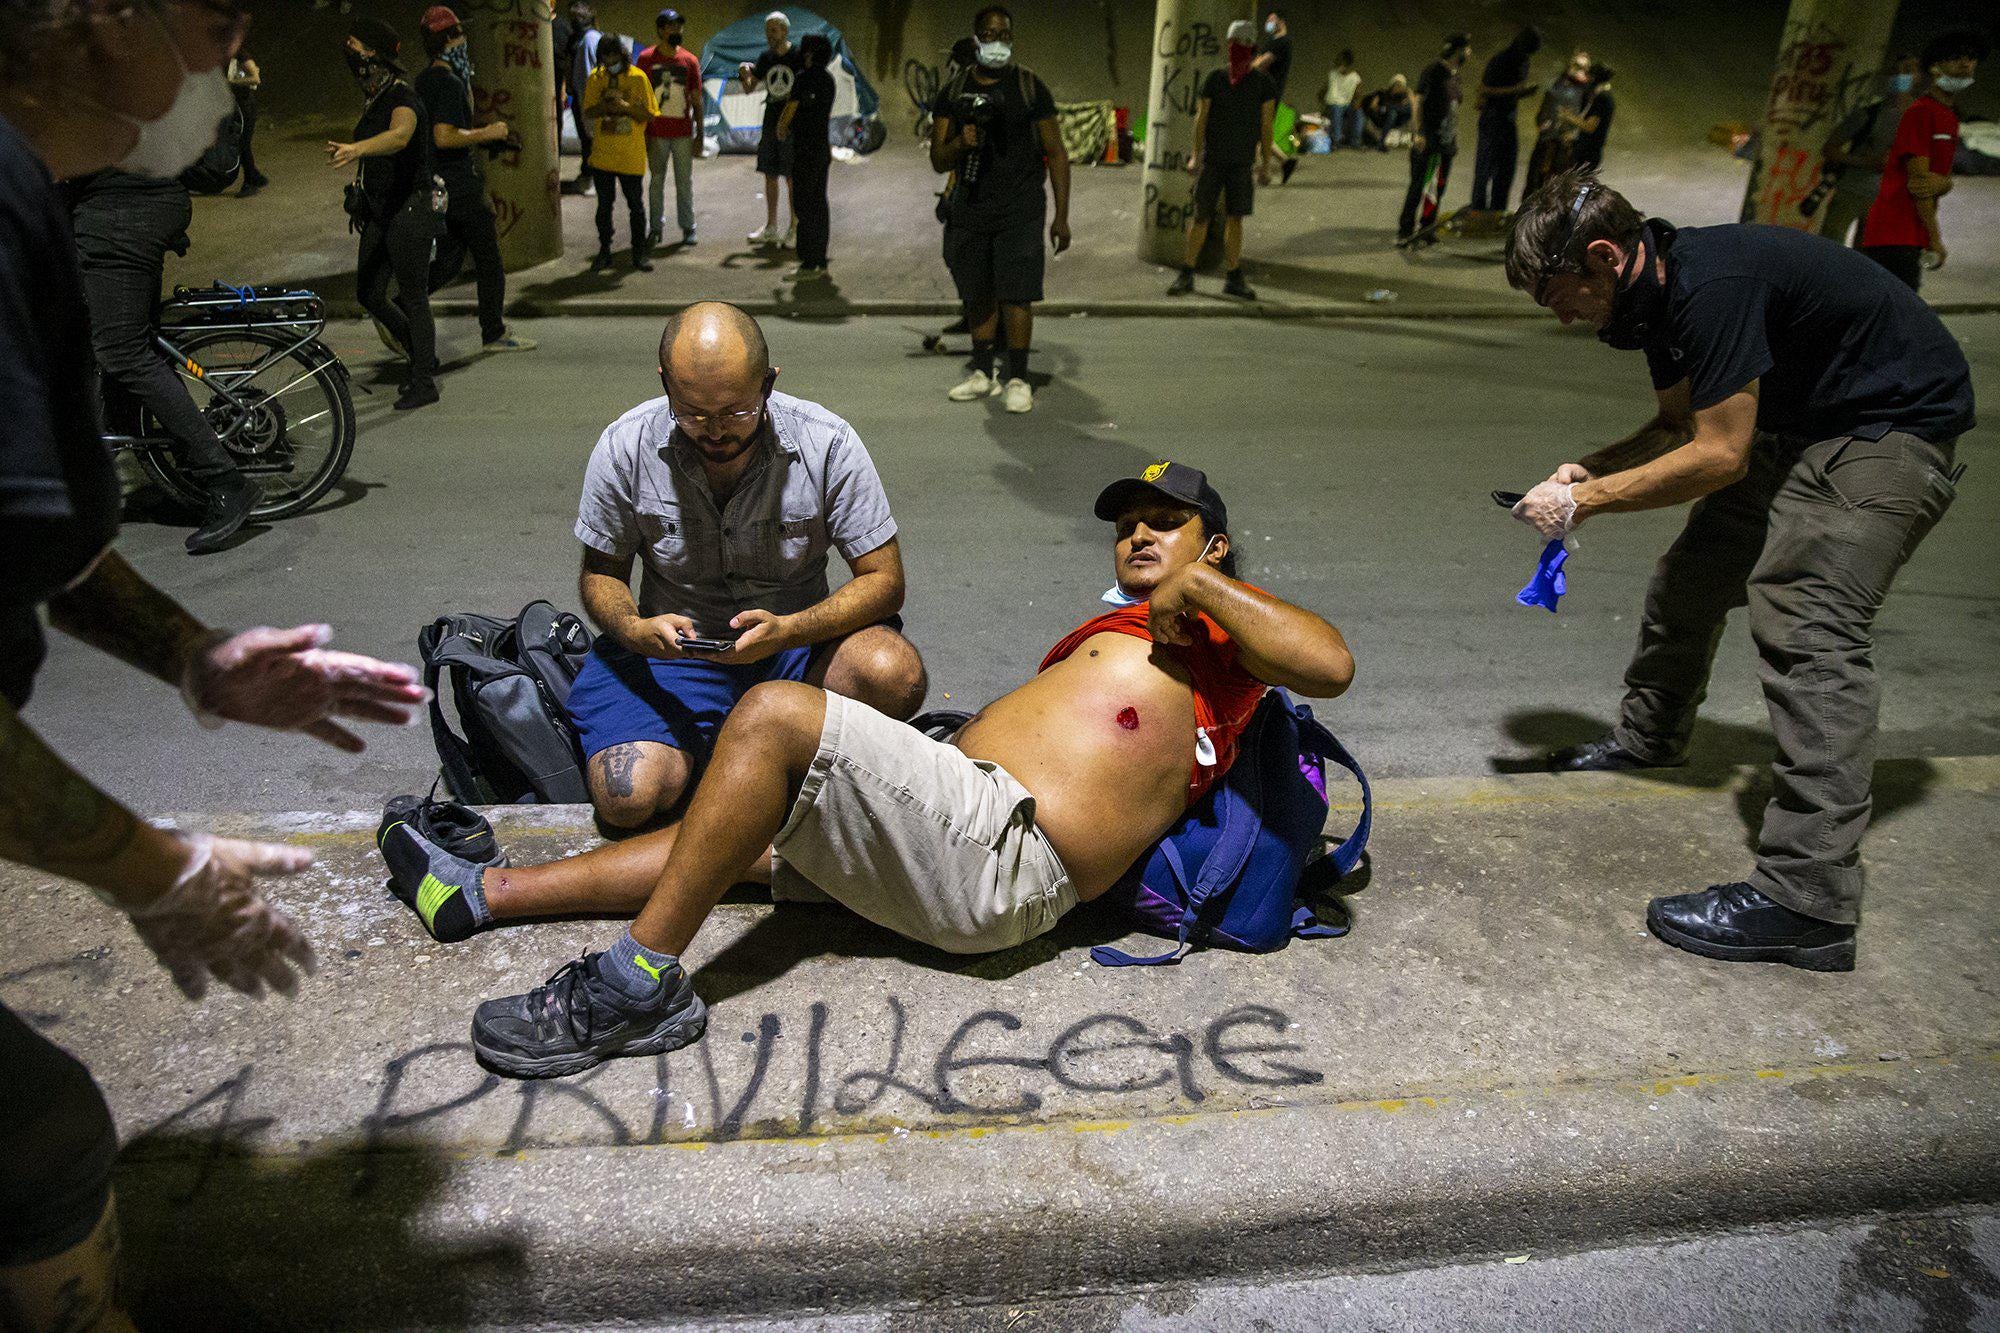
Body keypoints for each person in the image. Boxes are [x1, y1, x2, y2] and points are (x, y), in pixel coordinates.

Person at [381, 460, 1353, 1077]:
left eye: (1167, 522)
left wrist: (1207, 587)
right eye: (1127, 522)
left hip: (1004, 855)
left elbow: (1330, 664)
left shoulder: (1226, 633)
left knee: (772, 717)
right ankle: (483, 892)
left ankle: (634, 984)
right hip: (962, 828)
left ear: (1213, 544)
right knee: (736, 840)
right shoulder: (1127, 628)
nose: (1139, 533)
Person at [0, 3, 427, 1321]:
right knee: (41, 1138)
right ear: (98, 21)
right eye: (213, 19)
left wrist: (197, 657)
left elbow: (34, 537)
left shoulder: (33, 197)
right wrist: (158, 870)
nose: (235, 58)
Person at [1503, 168, 1973, 973]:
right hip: (1803, 423)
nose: (1558, 314)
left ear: (1605, 257)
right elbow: (1680, 426)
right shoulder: (1650, 300)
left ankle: (1808, 899)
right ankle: (1650, 736)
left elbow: (1719, 456)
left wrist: (1588, 505)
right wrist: (1586, 470)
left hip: (1888, 428)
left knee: (1808, 618)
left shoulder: (1710, 286)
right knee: (1693, 574)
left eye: (1557, 293)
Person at [551, 302, 925, 834]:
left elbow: (885, 582)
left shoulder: (828, 442)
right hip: (674, 655)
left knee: (895, 675)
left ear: (769, 383)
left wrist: (791, 629)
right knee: (627, 797)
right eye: (692, 413)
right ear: (666, 385)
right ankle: (730, 757)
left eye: (736, 412)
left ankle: (742, 758)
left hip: (795, 646)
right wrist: (635, 628)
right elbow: (600, 573)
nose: (715, 431)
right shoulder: (624, 445)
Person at [67, 170, 259, 554]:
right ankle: (162, 464)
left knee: (123, 351)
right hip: (126, 207)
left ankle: (225, 481)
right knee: (118, 339)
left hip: (122, 214)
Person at [929, 5, 1071, 416]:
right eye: (990, 35)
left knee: (1017, 293)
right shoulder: (953, 92)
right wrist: (961, 143)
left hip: (1021, 209)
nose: (998, 42)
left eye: (1005, 34)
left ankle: (1019, 377)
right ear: (977, 38)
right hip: (971, 209)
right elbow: (939, 159)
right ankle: (982, 372)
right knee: (978, 292)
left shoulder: (1029, 87)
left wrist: (1062, 216)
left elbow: (1057, 153)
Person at [328, 18, 440, 411]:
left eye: (356, 45)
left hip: (410, 206)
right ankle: (418, 350)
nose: (349, 51)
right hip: (381, 208)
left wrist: (356, 150)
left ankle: (424, 380)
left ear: (374, 55)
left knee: (413, 296)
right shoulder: (375, 97)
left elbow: (400, 136)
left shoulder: (401, 97)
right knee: (369, 292)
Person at [415, 5, 536, 356]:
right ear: (450, 39)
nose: (465, 39)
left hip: (438, 184)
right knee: (489, 259)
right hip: (460, 185)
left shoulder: (424, 80)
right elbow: (444, 136)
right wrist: (489, 132)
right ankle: (494, 333)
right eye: (460, 33)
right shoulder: (449, 83)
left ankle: (402, 300)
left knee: (451, 258)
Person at [1860, 30, 1988, 293]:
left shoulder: (1948, 117)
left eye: (1971, 58)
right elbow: (1919, 183)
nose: (1966, 64)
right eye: (1955, 58)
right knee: (1901, 316)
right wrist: (1935, 239)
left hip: (1908, 234)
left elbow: (1932, 180)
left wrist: (1944, 183)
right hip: (1892, 233)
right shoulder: (1920, 112)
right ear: (1934, 67)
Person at [1166, 20, 1278, 301]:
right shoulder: (1217, 79)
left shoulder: (1261, 84)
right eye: (1232, 45)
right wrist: (1196, 155)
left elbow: (1266, 126)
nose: (1234, 51)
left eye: (1238, 46)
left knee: (1231, 218)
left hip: (1238, 162)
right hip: (1216, 160)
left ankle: (1228, 275)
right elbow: (1201, 119)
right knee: (1204, 216)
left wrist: (1265, 163)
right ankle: (1191, 272)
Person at [1815, 54, 1922, 248]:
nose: (1900, 76)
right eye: (1895, 71)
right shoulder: (1868, 115)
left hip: (1888, 200)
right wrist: (1865, 163)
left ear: (1918, 77)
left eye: (1907, 71)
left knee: (1867, 258)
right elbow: (1829, 149)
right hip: (1850, 193)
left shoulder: (1921, 119)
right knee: (1829, 250)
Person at [582, 31, 657, 273]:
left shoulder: (638, 78)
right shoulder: (596, 78)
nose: (609, 62)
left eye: (613, 57)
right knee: (604, 206)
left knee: (636, 205)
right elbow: (588, 112)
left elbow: (649, 114)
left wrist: (626, 107)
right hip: (603, 154)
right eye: (605, 58)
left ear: (622, 55)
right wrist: (603, 106)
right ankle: (605, 251)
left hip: (630, 154)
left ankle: (639, 253)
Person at [636, 7, 703, 249]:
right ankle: (655, 228)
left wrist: (700, 134)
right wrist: (641, 132)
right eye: (671, 26)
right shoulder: (646, 59)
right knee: (656, 181)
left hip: (683, 132)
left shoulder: (689, 61)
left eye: (679, 26)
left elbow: (696, 99)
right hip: (656, 132)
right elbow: (640, 97)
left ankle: (688, 227)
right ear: (661, 30)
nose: (676, 30)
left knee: (684, 181)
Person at [1397, 32, 1471, 247]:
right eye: (1467, 48)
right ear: (1458, 50)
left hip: (1447, 141)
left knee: (1438, 186)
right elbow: (1418, 101)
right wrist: (1417, 132)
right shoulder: (1434, 70)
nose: (1469, 52)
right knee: (1419, 183)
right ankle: (1405, 229)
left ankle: (1427, 227)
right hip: (1428, 136)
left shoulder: (1456, 75)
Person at [777, 33, 836, 282]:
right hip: (822, 148)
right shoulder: (829, 80)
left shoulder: (803, 79)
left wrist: (781, 128)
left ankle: (809, 262)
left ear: (809, 53)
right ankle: (819, 258)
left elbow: (791, 109)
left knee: (803, 203)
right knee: (819, 203)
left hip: (804, 149)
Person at [738, 11, 800, 248]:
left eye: (773, 30)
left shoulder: (796, 57)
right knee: (770, 173)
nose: (769, 35)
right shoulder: (765, 58)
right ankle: (771, 226)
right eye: (767, 30)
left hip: (792, 123)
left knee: (792, 177)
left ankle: (794, 226)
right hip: (771, 120)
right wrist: (744, 74)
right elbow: (749, 88)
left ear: (784, 31)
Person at [1468, 25, 1540, 213]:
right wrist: (1516, 91)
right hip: (1492, 119)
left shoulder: (1524, 61)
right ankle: (1478, 211)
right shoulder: (1500, 60)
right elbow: (1484, 90)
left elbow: (1511, 93)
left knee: (1506, 169)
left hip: (1508, 119)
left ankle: (1497, 211)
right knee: (1485, 167)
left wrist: (1522, 93)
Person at [1523, 50, 1595, 199]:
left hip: (1565, 145)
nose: (1577, 70)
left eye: (1582, 67)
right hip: (1546, 141)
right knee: (1534, 184)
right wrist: (1542, 123)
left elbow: (1587, 121)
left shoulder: (1587, 91)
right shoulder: (1558, 84)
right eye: (1575, 65)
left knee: (1557, 189)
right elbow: (1544, 110)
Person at [1251, 10, 1297, 182]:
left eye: (1272, 20)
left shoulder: (1282, 42)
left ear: (1281, 22)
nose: (1268, 23)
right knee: (1260, 131)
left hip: (1269, 92)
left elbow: (1263, 62)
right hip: (1264, 91)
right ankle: (1283, 163)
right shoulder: (1272, 41)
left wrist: (1249, 65)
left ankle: (1265, 171)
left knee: (1260, 131)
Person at [565, 1, 602, 193]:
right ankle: (589, 174)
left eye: (577, 18)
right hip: (580, 95)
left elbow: (589, 75)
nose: (574, 21)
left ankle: (592, 178)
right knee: (586, 139)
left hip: (587, 96)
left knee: (590, 139)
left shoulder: (589, 39)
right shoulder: (578, 38)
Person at [227, 45, 269, 196]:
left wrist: (231, 82)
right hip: (238, 105)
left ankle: (250, 182)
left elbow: (255, 79)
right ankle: (255, 176)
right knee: (241, 142)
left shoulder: (240, 54)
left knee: (242, 143)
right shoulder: (225, 55)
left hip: (246, 105)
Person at [1573, 65, 1614, 172]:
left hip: (1587, 152)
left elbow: (1589, 127)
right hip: (1590, 151)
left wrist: (1566, 115)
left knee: (1577, 183)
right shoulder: (1605, 97)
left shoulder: (1601, 98)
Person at [1358, 74, 1411, 150]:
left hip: (1397, 120)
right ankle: (1381, 142)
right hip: (1381, 118)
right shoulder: (1382, 93)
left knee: (1407, 109)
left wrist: (1408, 97)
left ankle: (1393, 109)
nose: (1398, 87)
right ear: (1392, 84)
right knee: (1392, 112)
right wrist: (1381, 108)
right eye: (1397, 85)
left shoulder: (1402, 97)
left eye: (1401, 86)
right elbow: (1372, 106)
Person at [1322, 49, 1362, 149]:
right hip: (1334, 103)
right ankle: (1336, 140)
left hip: (1347, 104)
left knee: (1359, 113)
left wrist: (1357, 103)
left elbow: (1357, 95)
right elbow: (1326, 91)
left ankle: (1355, 141)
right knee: (1336, 109)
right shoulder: (1333, 74)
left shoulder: (1355, 77)